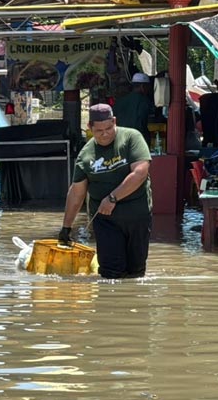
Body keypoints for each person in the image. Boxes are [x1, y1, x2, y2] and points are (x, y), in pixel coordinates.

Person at [59, 103, 152, 279]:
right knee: (111, 272)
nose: (105, 134)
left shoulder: (132, 138)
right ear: (90, 128)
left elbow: (140, 173)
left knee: (136, 271)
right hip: (105, 220)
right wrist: (66, 228)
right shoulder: (86, 154)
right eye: (99, 130)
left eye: (109, 128)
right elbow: (77, 192)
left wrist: (112, 198)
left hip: (137, 216)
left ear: (115, 121)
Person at [113, 72, 155, 141]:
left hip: (120, 138)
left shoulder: (120, 101)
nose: (148, 89)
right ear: (142, 86)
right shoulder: (144, 101)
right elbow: (145, 117)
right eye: (147, 86)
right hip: (138, 139)